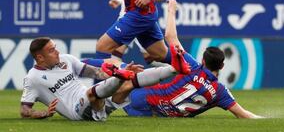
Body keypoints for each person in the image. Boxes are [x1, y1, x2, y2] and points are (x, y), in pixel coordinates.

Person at [123, 0, 263, 118]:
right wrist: (266, 118)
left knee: (122, 75)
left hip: (140, 99)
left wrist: (171, 10)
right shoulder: (220, 92)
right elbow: (244, 115)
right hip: (163, 114)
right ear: (222, 66)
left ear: (203, 61)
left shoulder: (191, 67)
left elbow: (170, 37)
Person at [20, 36, 190, 121]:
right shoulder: (33, 78)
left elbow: (95, 73)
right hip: (76, 110)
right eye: (51, 51)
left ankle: (174, 68)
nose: (57, 52)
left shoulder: (66, 59)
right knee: (92, 93)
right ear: (40, 58)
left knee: (129, 82)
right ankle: (118, 79)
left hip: (94, 102)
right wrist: (43, 113)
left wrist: (113, 74)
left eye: (55, 48)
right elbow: (24, 111)